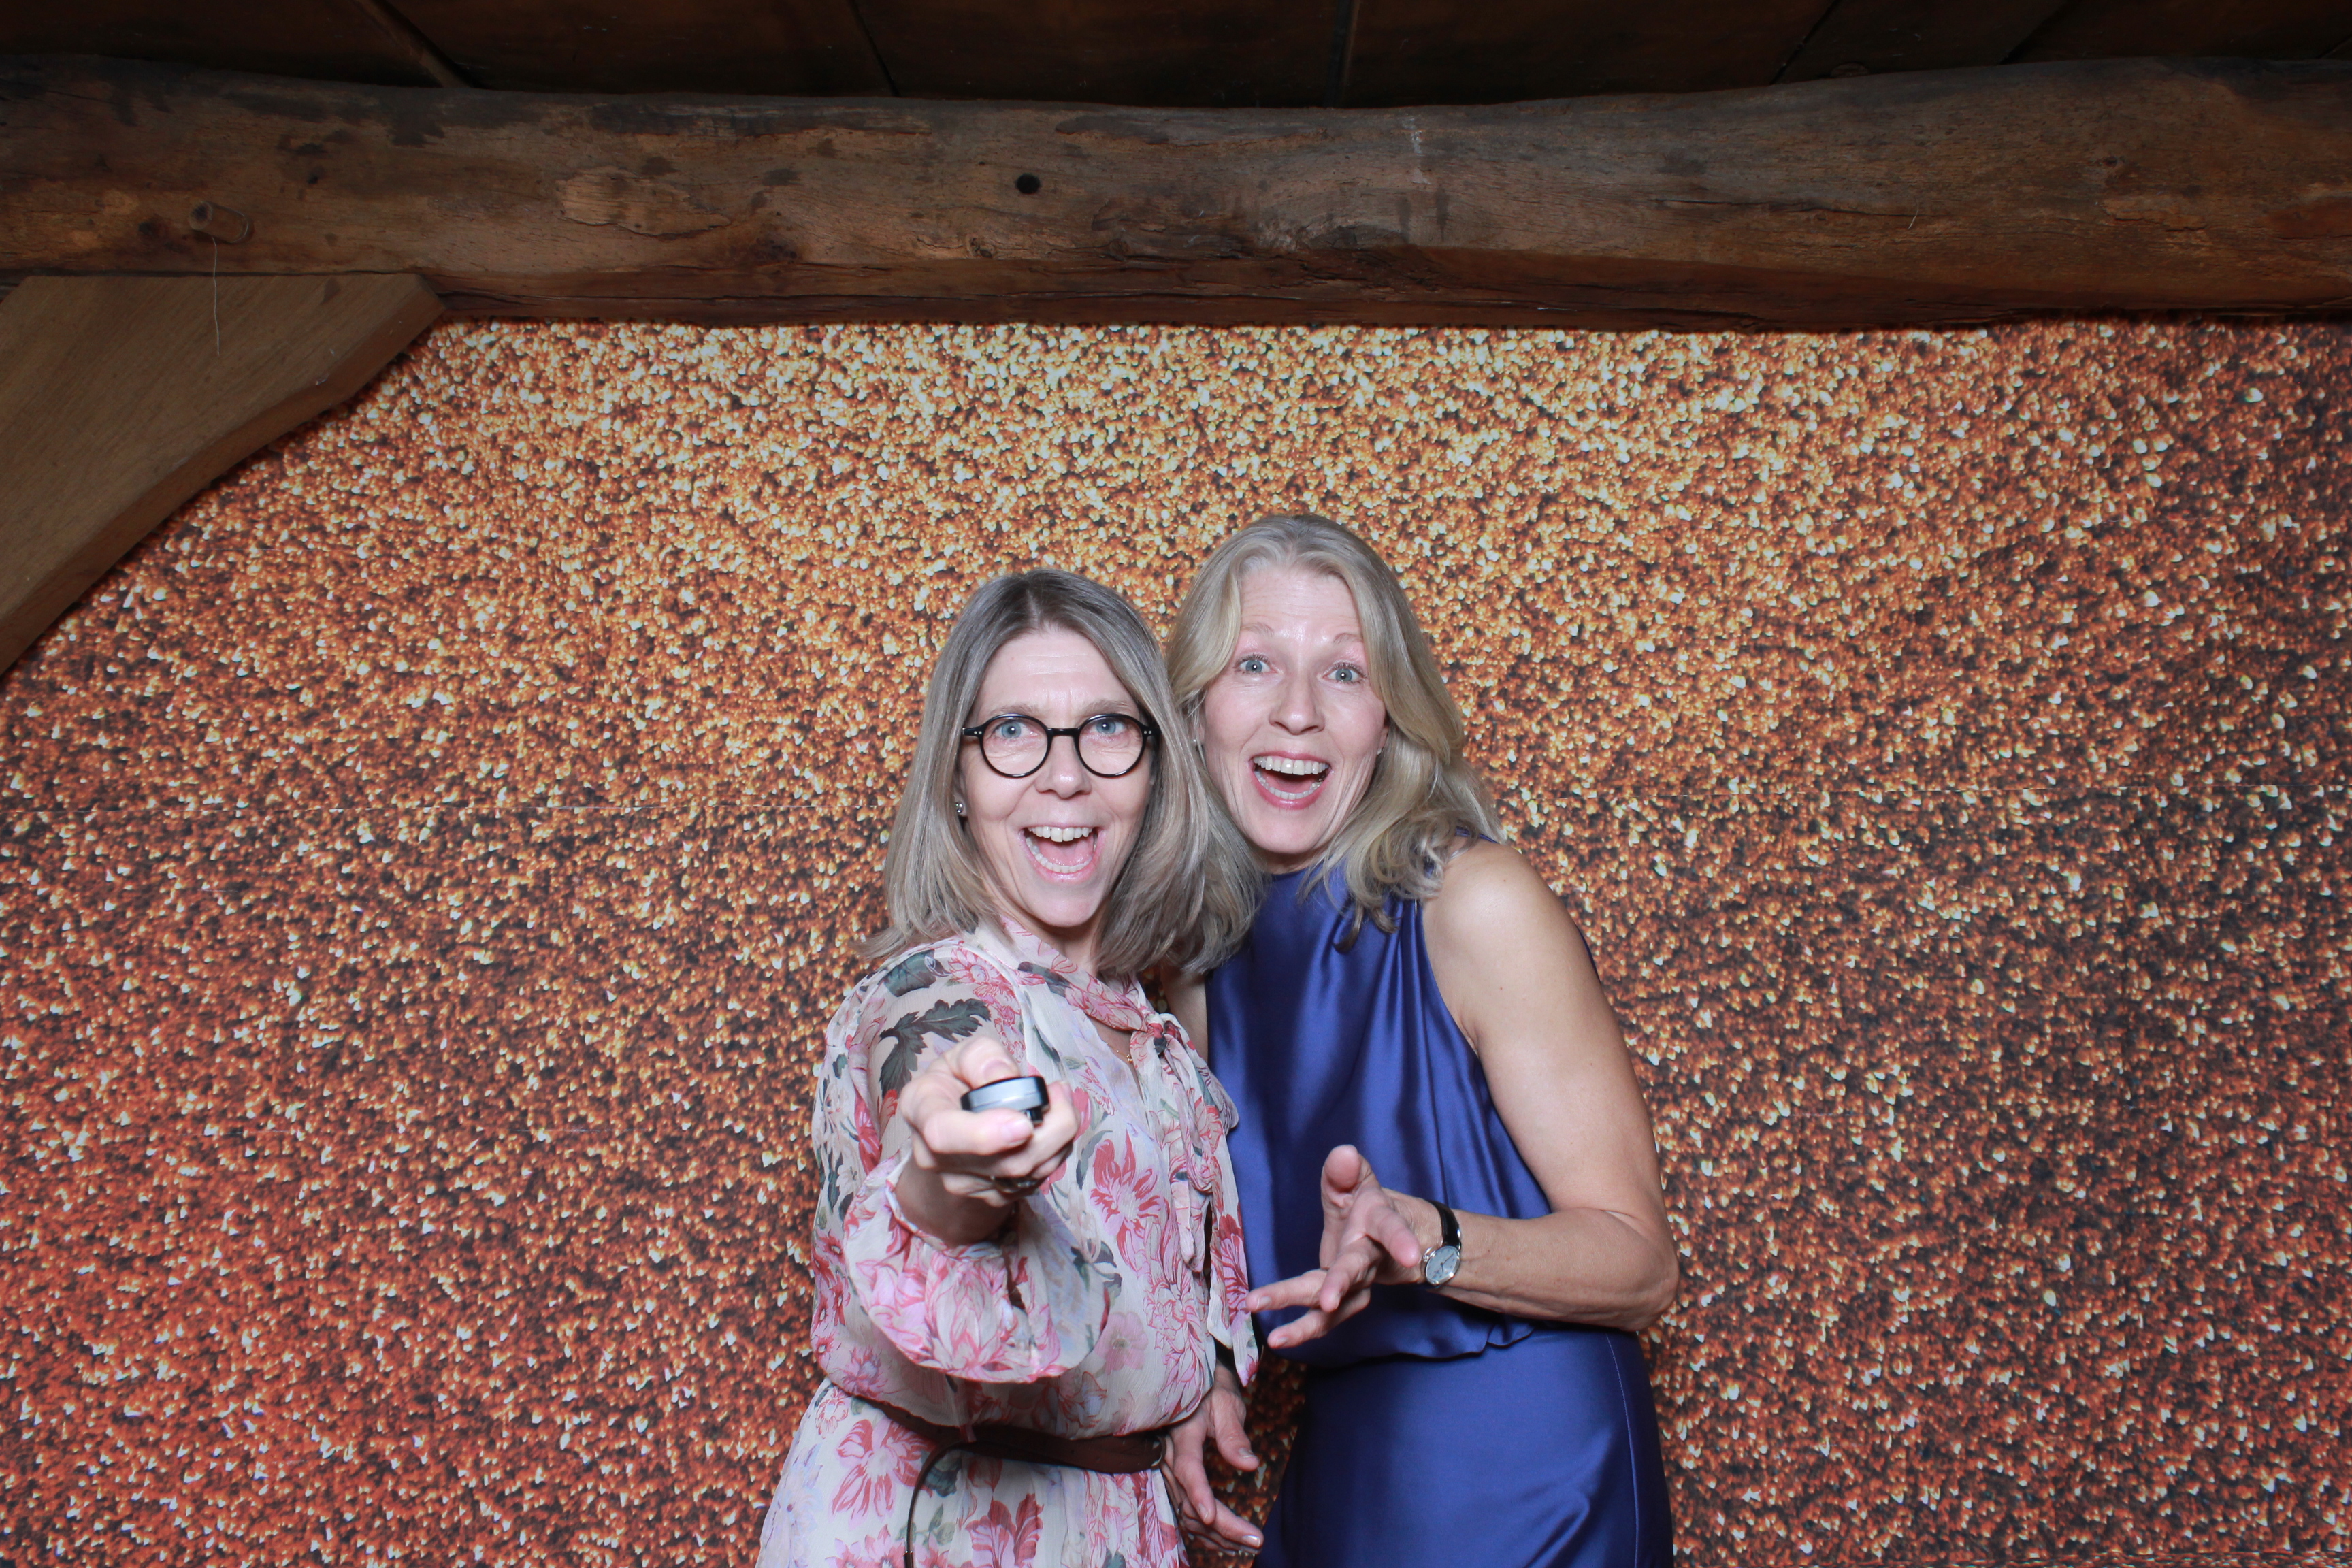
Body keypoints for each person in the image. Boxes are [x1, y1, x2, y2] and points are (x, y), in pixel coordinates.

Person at [1162, 515, 1680, 1567]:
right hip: (1347, 1462)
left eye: (1345, 672)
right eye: (1255, 663)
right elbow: (1220, 1239)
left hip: (1531, 1472)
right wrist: (1206, 1371)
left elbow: (1642, 1263)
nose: (1298, 710)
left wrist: (1427, 1236)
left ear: (1389, 718)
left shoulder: (1473, 902)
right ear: (1194, 709)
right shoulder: (1195, 953)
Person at [757, 569, 1264, 1568]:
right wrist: (957, 1178)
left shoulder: (1141, 1019)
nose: (1064, 776)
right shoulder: (932, 996)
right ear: (957, 776)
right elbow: (941, 1119)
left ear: (1155, 770)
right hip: (946, 1532)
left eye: (1106, 729)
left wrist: (1191, 1387)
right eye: (1013, 732)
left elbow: (1146, 1268)